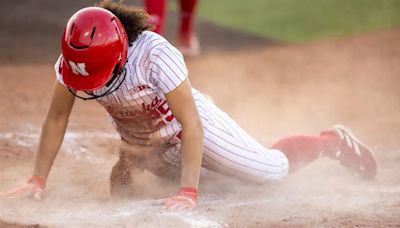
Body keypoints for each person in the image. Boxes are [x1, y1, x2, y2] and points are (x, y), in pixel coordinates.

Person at [0, 1, 377, 211]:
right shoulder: (76, 62)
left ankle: (332, 141)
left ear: (119, 54)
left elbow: (191, 124)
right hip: (144, 145)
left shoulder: (155, 55)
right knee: (124, 194)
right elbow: (55, 118)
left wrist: (188, 192)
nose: (85, 80)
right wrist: (38, 179)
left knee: (269, 172)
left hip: (193, 130)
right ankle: (207, 175)